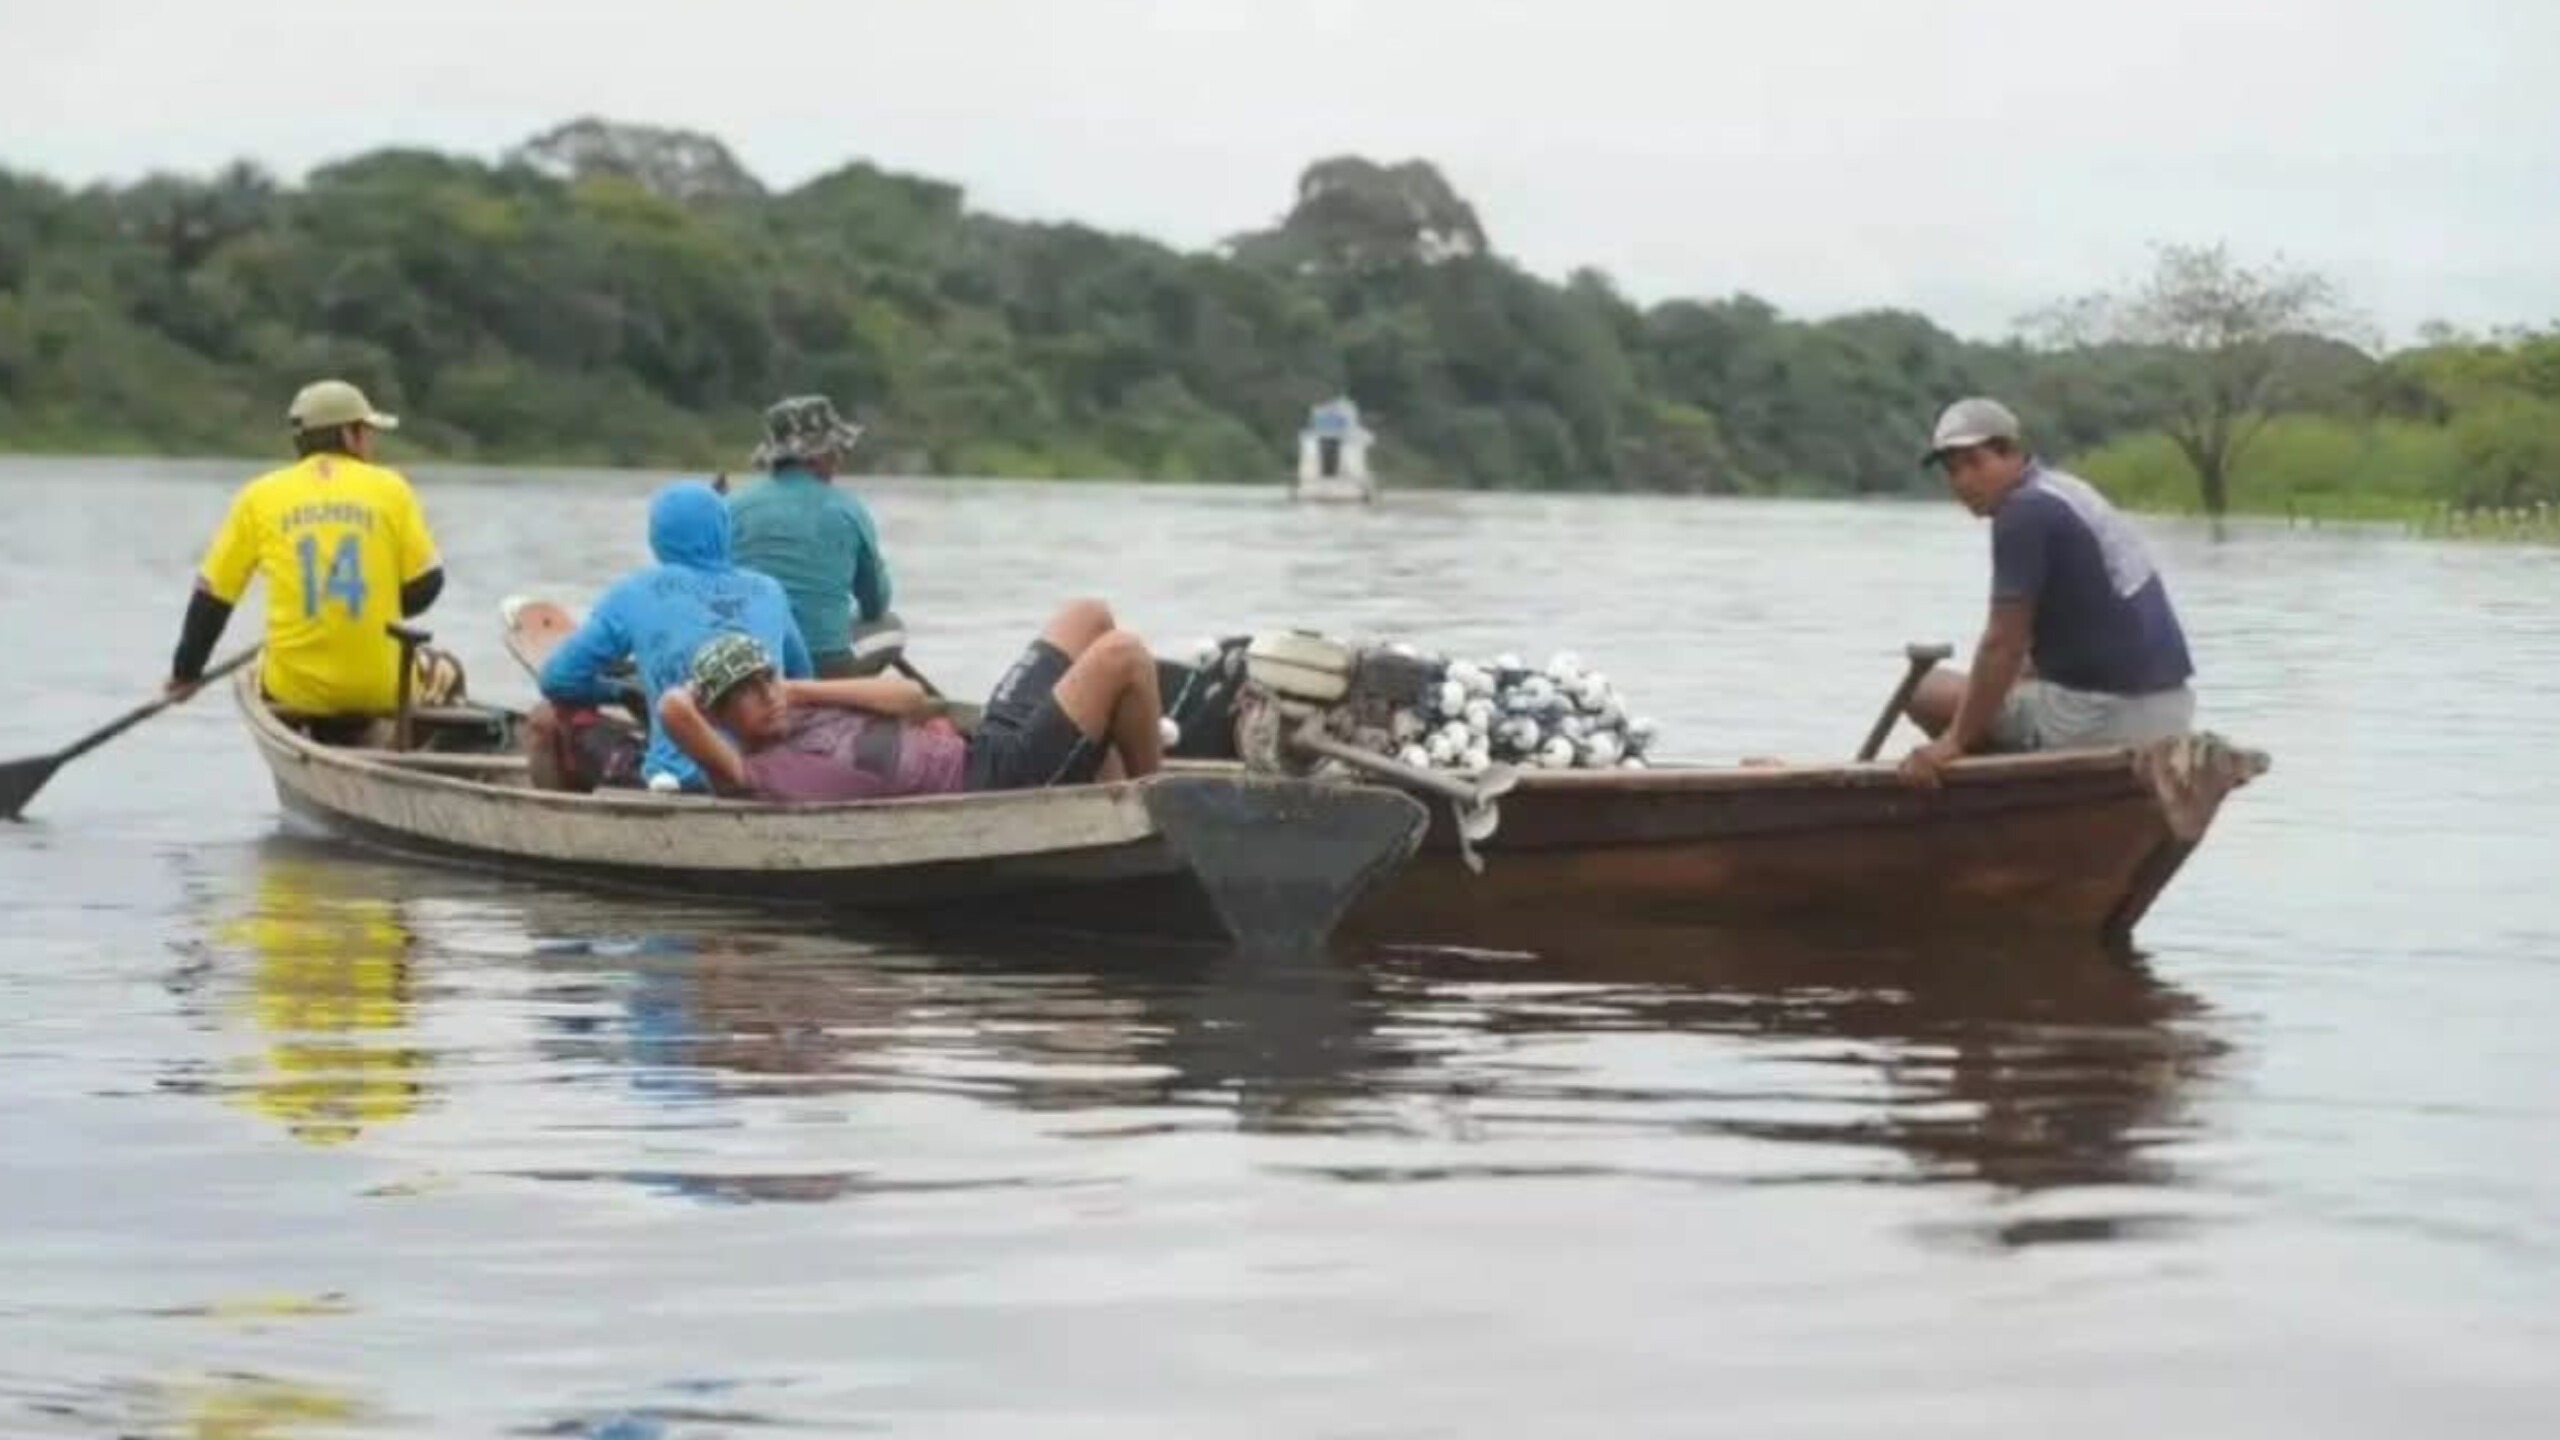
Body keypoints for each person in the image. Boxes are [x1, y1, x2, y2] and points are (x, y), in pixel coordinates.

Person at [1900, 397, 2197, 787]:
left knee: (1925, 692)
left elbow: (2002, 645)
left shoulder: (2022, 513)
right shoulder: (2065, 491)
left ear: (2011, 452)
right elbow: (2044, 640)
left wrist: (1953, 740)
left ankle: (2000, 794)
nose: (1963, 482)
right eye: (1952, 470)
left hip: (2106, 716)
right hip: (2173, 708)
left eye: (1974, 463)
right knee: (2003, 686)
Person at [165, 379, 456, 737]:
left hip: (292, 690)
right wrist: (373, 609)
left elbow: (212, 597)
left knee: (253, 673)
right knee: (449, 671)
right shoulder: (392, 488)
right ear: (348, 435)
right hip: (380, 688)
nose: (372, 442)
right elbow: (428, 584)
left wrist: (186, 673)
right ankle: (401, 745)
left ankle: (311, 731)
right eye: (367, 432)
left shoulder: (258, 497)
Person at [659, 600, 1167, 802]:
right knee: (1121, 655)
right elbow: (672, 710)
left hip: (984, 748)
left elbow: (911, 698)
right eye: (744, 695)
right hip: (995, 789)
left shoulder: (802, 705)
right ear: (719, 714)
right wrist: (705, 701)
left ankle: (1116, 791)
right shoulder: (748, 773)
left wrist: (795, 687)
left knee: (1088, 616)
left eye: (765, 680)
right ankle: (1155, 803)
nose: (765, 697)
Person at [531, 480, 813, 793]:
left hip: (676, 782)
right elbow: (802, 679)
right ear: (724, 530)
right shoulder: (769, 590)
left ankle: (569, 814)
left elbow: (558, 679)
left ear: (657, 537)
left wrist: (621, 693)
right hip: (762, 774)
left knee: (550, 718)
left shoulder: (636, 591)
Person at [725, 395, 896, 677]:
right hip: (825, 666)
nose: (839, 461)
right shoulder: (848, 509)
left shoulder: (732, 506)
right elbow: (875, 603)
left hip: (747, 664)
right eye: (836, 452)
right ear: (818, 458)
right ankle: (839, 694)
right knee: (889, 626)